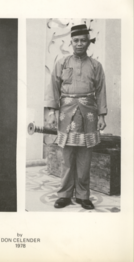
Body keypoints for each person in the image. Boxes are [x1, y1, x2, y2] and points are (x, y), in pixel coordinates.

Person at [45, 24, 107, 210]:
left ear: (88, 42)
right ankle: (64, 195)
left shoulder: (96, 66)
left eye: (83, 40)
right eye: (76, 41)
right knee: (67, 157)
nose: (79, 44)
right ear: (71, 42)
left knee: (84, 158)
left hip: (88, 114)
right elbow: (54, 88)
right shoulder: (61, 63)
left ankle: (82, 195)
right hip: (66, 114)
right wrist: (52, 111)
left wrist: (102, 115)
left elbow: (101, 91)